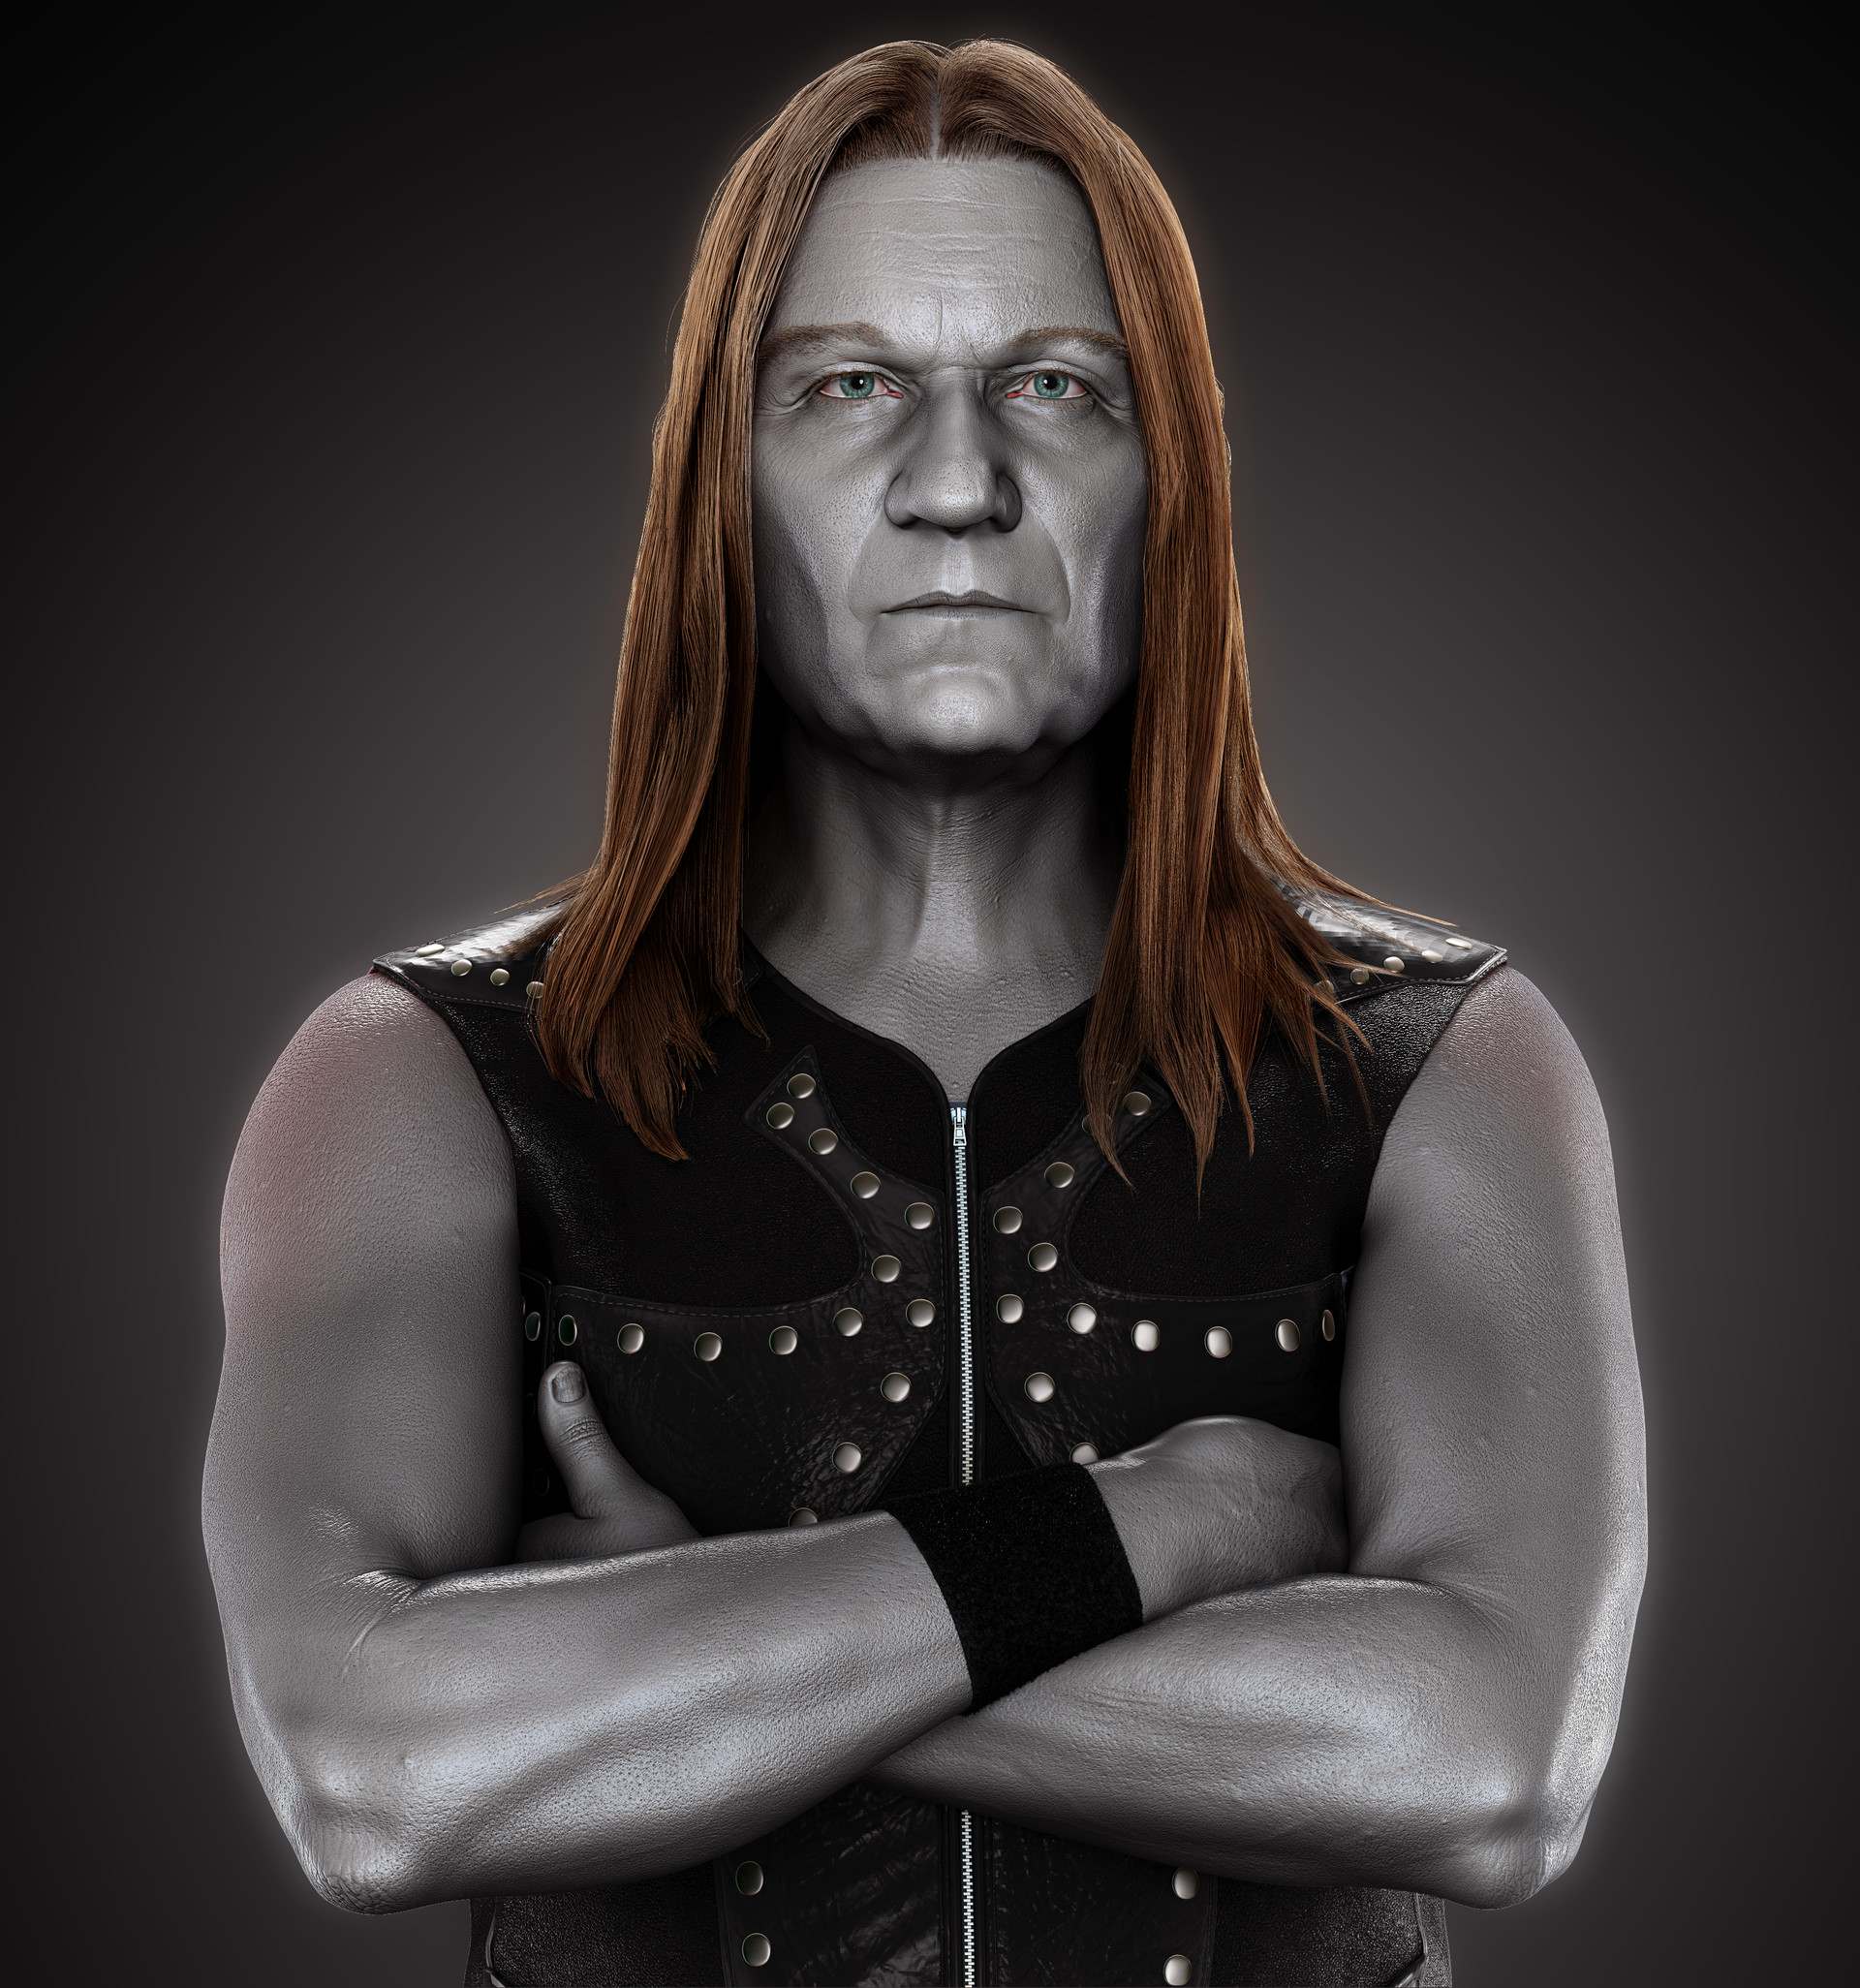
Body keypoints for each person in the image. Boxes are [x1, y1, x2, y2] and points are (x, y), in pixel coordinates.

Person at [201, 37, 1646, 1988]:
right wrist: (1167, 1529)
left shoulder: (1443, 1063)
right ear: (720, 480)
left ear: (1174, 477)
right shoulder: (421, 1079)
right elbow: (375, 1779)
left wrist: (679, 1641)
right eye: (847, 388)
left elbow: (1486, 1769)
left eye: (1057, 387)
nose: (958, 485)